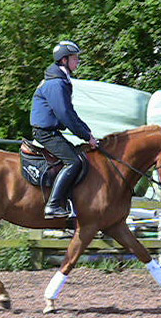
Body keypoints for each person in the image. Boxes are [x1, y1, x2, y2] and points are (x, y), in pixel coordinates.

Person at [30, 40, 99, 219]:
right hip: (45, 133)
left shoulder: (60, 80)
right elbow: (65, 115)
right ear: (64, 60)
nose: (78, 62)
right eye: (75, 58)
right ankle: (52, 205)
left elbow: (71, 113)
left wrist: (88, 133)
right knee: (74, 162)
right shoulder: (56, 83)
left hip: (51, 131)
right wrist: (85, 136)